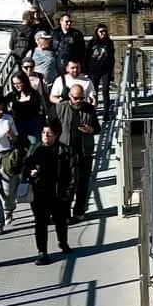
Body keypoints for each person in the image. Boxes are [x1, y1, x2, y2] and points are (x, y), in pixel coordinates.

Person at [21, 119, 74, 263]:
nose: (46, 136)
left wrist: (69, 192)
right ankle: (42, 252)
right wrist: (29, 172)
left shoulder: (65, 150)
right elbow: (25, 167)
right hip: (39, 192)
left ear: (56, 135)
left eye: (49, 133)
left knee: (61, 221)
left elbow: (73, 173)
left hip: (59, 191)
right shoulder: (34, 149)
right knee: (40, 223)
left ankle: (63, 242)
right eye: (43, 133)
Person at [63, 84, 101, 219]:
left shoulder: (89, 109)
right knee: (68, 183)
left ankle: (79, 211)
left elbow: (98, 128)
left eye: (81, 98)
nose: (79, 101)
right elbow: (51, 127)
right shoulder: (60, 108)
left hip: (85, 151)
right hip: (66, 152)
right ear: (70, 96)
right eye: (76, 98)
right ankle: (65, 213)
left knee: (83, 182)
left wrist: (90, 130)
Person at [5, 69, 43, 148]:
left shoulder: (34, 95)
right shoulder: (12, 95)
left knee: (34, 147)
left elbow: (36, 109)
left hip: (31, 125)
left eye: (19, 83)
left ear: (25, 82)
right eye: (14, 84)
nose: (16, 86)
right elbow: (2, 103)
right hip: (17, 125)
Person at [85, 23, 117, 108]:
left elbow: (112, 58)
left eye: (105, 31)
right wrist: (87, 70)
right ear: (97, 32)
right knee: (93, 90)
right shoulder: (92, 42)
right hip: (94, 70)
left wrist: (112, 72)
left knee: (105, 90)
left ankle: (106, 111)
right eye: (101, 31)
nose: (103, 33)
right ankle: (93, 109)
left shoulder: (109, 42)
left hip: (105, 70)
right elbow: (87, 56)